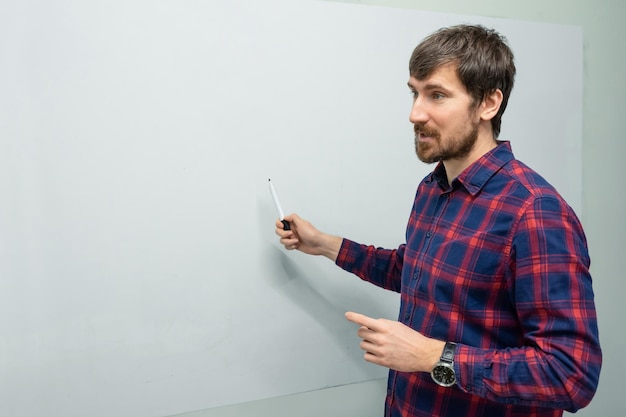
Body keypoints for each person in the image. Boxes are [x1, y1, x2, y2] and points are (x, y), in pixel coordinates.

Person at [274, 24, 602, 417]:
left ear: (487, 104)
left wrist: (433, 355)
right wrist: (324, 244)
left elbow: (570, 375)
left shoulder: (536, 213)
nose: (415, 113)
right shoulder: (433, 188)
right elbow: (412, 270)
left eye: (437, 95)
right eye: (415, 93)